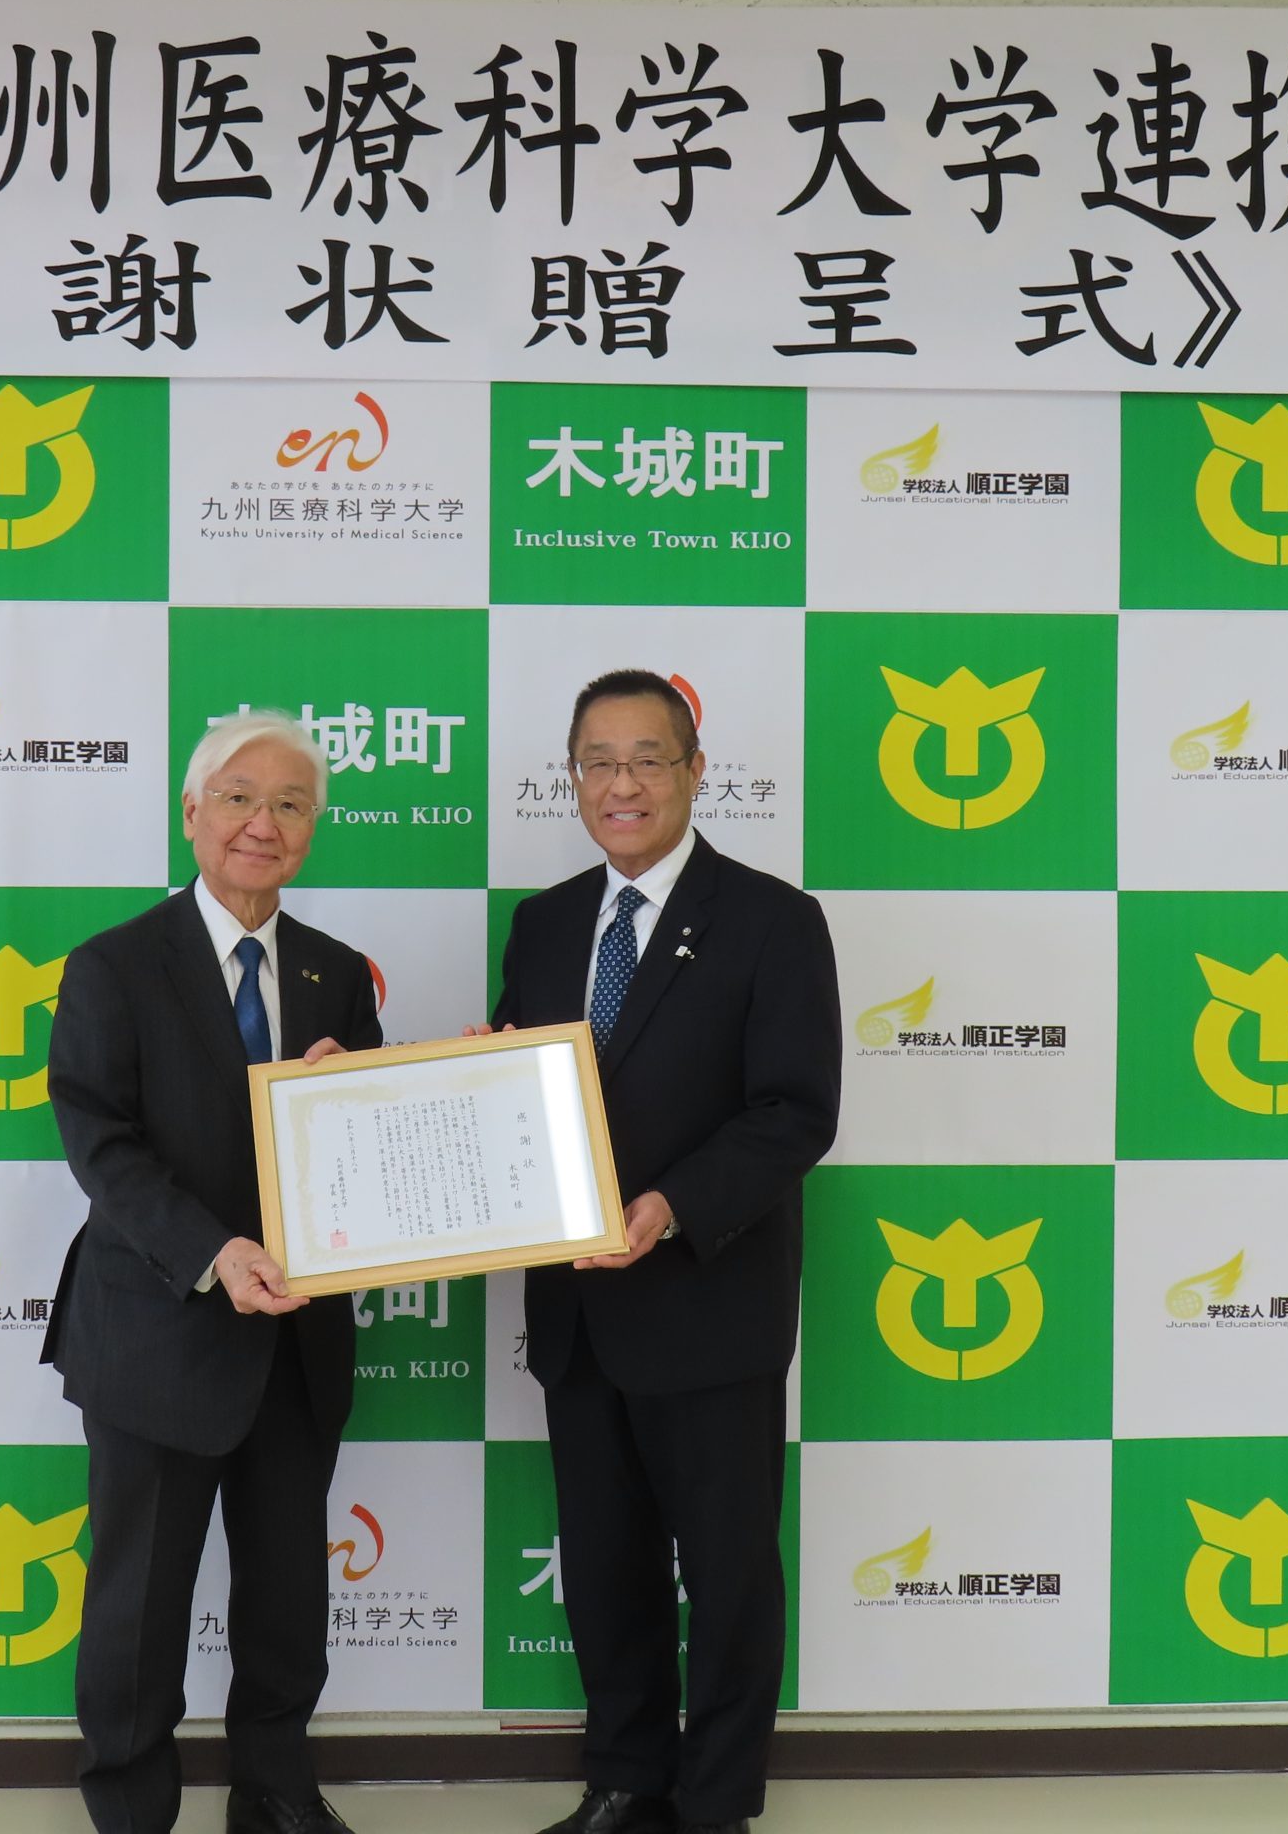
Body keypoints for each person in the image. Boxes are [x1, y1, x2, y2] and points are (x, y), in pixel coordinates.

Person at [487, 669, 841, 1834]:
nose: (621, 783)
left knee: (728, 1574)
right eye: (597, 761)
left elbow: (794, 1112)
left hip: (705, 1300)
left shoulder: (773, 920)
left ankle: (716, 1801)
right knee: (604, 1565)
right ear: (571, 779)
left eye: (647, 758)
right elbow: (520, 1093)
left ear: (695, 772)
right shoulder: (543, 924)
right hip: (577, 1314)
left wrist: (669, 1206)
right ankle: (625, 1779)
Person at [45, 710, 382, 1834]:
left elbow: (362, 1150)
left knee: (288, 1597)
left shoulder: (336, 973)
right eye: (238, 797)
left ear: (313, 828)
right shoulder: (113, 965)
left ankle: (276, 1792)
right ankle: (131, 1808)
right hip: (158, 1331)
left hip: (295, 1336)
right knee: (139, 1607)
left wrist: (365, 1091)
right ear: (191, 813)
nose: (262, 824)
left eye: (290, 804)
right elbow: (102, 1146)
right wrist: (211, 1253)